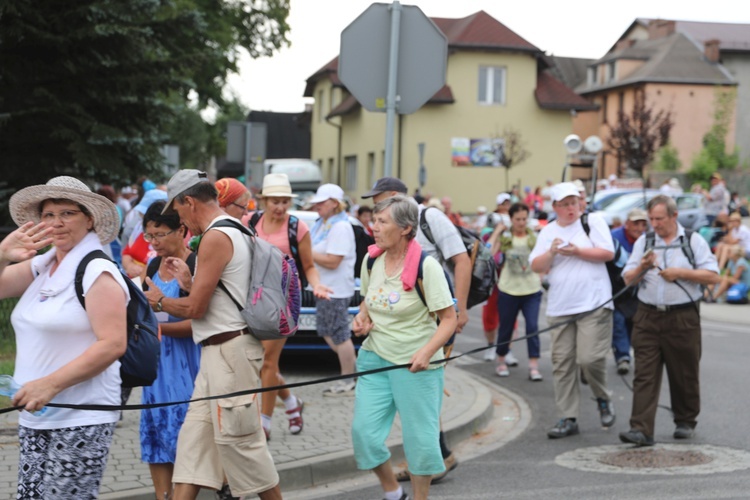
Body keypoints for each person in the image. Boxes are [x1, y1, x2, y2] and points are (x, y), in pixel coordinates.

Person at [142, 170, 281, 500]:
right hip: (218, 354)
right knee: (192, 451)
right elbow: (221, 296)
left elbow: (195, 310)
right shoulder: (232, 230)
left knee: (244, 448)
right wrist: (190, 283)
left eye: (177, 212)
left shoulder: (217, 237)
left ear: (188, 202)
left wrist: (157, 300)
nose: (180, 221)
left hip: (230, 354)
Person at [2, 176, 129, 499]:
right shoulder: (45, 265)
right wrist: (3, 253)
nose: (56, 222)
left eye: (67, 213)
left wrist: (49, 384)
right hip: (37, 416)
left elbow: (113, 343)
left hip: (82, 415)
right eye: (48, 215)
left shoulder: (97, 270)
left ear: (89, 219)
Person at [362, 176, 471, 482]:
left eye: (379, 203)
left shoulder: (430, 218)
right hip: (401, 318)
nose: (375, 211)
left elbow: (461, 260)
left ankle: (427, 460)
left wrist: (459, 309)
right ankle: (437, 455)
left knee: (423, 393)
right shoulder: (384, 242)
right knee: (420, 396)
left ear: (395, 198)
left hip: (433, 316)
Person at [619, 195, 720, 446]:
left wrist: (681, 273)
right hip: (647, 315)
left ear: (674, 216)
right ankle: (641, 429)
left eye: (659, 219)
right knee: (644, 373)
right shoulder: (645, 241)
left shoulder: (692, 241)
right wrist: (642, 267)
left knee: (684, 372)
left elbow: (713, 276)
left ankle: (685, 420)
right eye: (651, 219)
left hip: (682, 316)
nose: (654, 224)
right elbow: (627, 279)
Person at [529, 182, 616, 439]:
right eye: (565, 204)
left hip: (594, 302)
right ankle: (568, 417)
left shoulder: (593, 221)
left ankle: (602, 397)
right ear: (555, 207)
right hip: (560, 305)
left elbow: (607, 253)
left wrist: (578, 251)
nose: (571, 208)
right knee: (562, 363)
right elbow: (536, 265)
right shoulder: (548, 231)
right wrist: (552, 252)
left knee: (589, 359)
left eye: (574, 202)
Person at [252, 173, 332, 437]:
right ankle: (291, 402)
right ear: (263, 200)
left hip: (284, 301)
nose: (280, 207)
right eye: (275, 201)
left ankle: (264, 423)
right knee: (262, 363)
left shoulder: (297, 227)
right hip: (253, 299)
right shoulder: (249, 222)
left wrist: (316, 284)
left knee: (267, 361)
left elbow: (308, 266)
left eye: (285, 201)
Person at [138, 200, 201, 500]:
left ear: (182, 230)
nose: (154, 243)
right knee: (156, 436)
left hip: (188, 367)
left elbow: (200, 322)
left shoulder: (195, 264)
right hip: (157, 368)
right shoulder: (152, 266)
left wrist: (160, 327)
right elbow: (146, 311)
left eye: (160, 235)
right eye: (149, 236)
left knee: (186, 436)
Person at [308, 183, 358, 396]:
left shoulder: (340, 227)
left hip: (334, 289)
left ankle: (349, 378)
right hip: (326, 288)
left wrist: (305, 254)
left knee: (338, 333)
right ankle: (351, 375)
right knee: (330, 332)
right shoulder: (325, 223)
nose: (317, 205)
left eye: (322, 202)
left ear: (334, 204)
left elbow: (333, 261)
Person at [487, 203, 543, 380]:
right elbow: (487, 254)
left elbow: (544, 256)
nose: (521, 222)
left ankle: (534, 365)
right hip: (509, 289)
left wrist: (541, 275)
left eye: (524, 219)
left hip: (532, 289)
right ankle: (501, 360)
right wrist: (497, 231)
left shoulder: (534, 237)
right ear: (511, 219)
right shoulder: (505, 237)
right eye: (517, 219)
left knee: (533, 327)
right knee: (506, 327)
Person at [609, 208, 649, 375]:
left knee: (635, 324)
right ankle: (622, 357)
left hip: (637, 291)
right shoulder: (614, 238)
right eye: (635, 223)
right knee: (617, 322)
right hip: (616, 289)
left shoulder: (648, 240)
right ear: (627, 224)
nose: (639, 228)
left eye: (643, 224)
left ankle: (637, 353)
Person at [121, 189, 168, 278]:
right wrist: (129, 266)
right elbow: (126, 252)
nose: (141, 216)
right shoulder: (139, 229)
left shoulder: (169, 237)